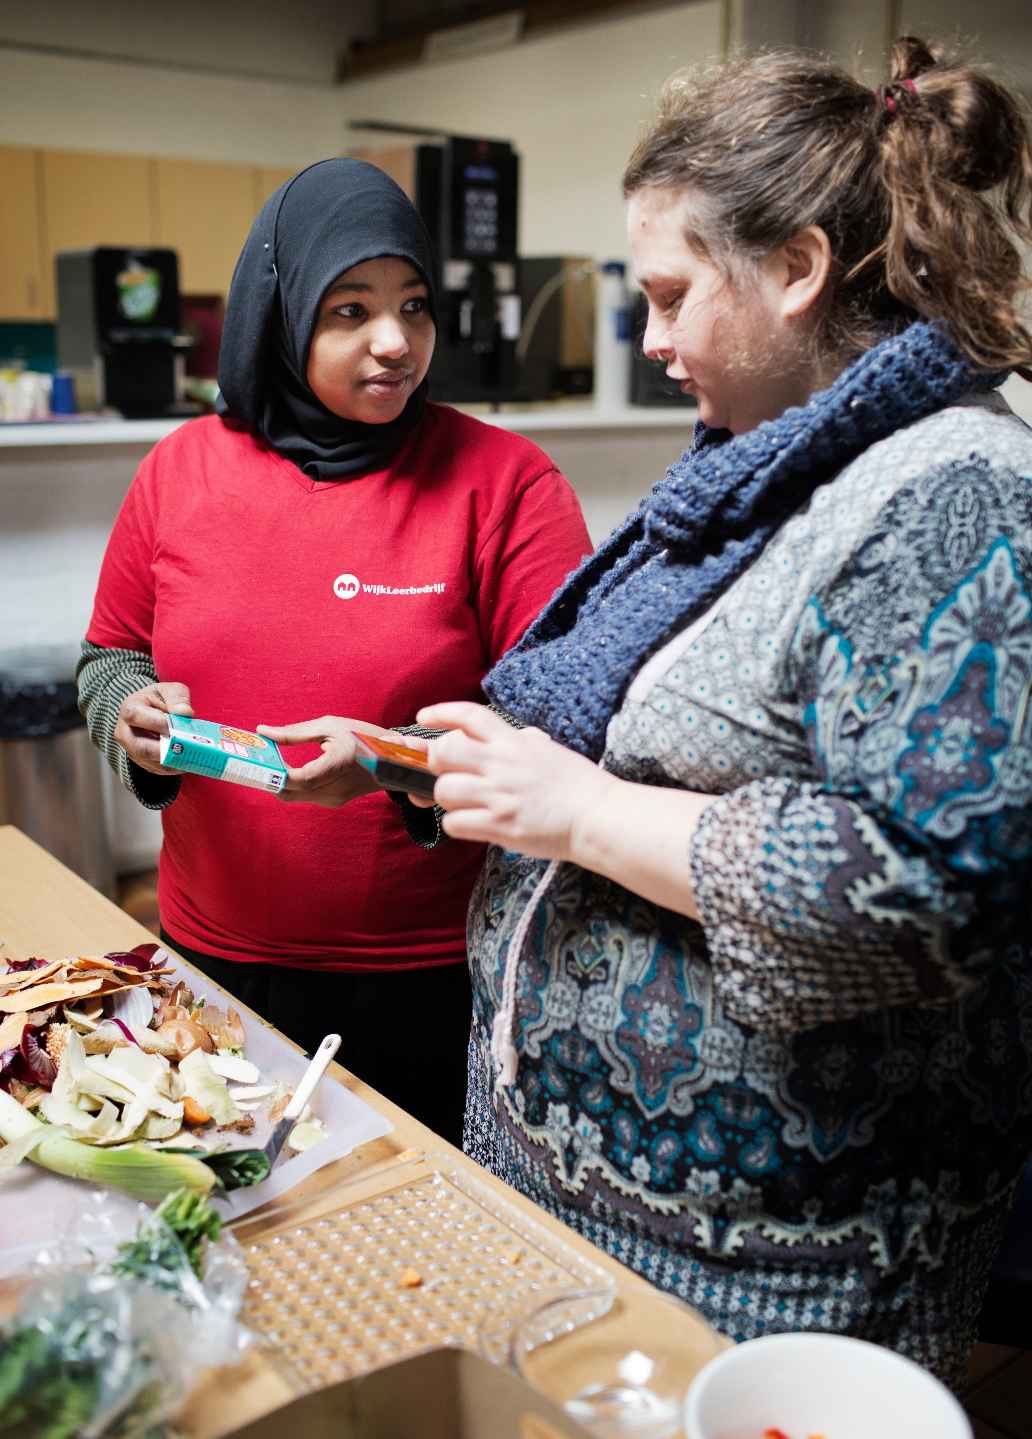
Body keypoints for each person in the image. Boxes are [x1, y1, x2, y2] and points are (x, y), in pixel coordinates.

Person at [408, 38, 1032, 1385]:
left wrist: (580, 812)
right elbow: (613, 739)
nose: (654, 337)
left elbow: (926, 887)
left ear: (799, 269)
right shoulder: (759, 469)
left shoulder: (958, 492)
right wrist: (426, 764)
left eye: (674, 293)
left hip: (774, 1267)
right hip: (576, 1196)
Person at [77, 158, 591, 1146]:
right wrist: (129, 717)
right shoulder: (182, 469)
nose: (395, 341)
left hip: (430, 975)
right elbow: (111, 658)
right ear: (282, 314)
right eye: (349, 311)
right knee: (234, 1223)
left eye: (414, 306)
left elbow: (561, 725)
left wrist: (391, 760)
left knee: (411, 1251)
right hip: (209, 953)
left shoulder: (507, 483)